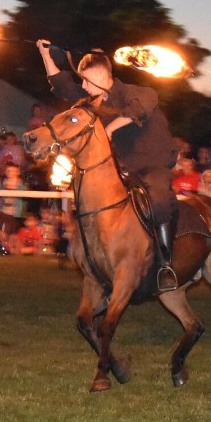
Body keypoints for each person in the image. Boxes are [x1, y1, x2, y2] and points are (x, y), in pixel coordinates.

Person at [38, 40, 179, 291]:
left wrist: (110, 128)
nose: (82, 86)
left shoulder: (139, 92)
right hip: (122, 166)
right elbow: (62, 86)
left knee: (158, 199)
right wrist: (45, 54)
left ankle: (166, 263)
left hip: (152, 163)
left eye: (87, 81)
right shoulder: (94, 99)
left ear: (102, 77)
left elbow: (140, 108)